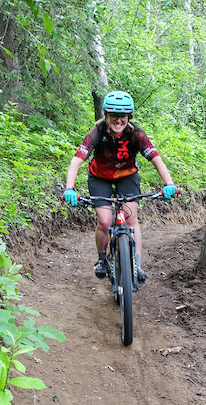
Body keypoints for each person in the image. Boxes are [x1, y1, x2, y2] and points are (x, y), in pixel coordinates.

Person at [63, 90, 176, 288]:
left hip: (127, 176)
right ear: (105, 116)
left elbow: (155, 158)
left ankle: (136, 266)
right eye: (113, 116)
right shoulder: (97, 132)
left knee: (131, 218)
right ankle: (101, 259)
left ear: (128, 117)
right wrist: (69, 188)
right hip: (100, 178)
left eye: (122, 116)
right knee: (105, 221)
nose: (118, 120)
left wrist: (169, 183)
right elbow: (76, 160)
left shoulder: (136, 134)